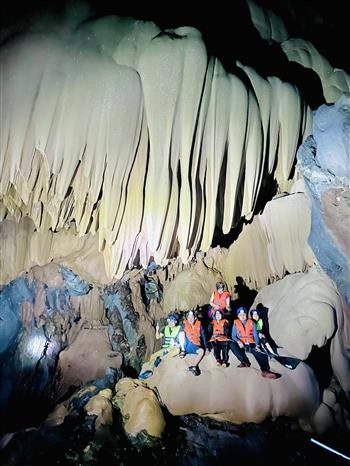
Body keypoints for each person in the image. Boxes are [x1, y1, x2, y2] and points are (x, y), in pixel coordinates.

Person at [230, 307, 281, 379]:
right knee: (232, 344)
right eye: (240, 315)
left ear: (246, 315)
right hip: (241, 343)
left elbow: (255, 335)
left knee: (259, 353)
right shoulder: (236, 323)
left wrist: (257, 345)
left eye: (244, 314)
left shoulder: (251, 322)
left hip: (251, 343)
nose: (242, 316)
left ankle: (265, 371)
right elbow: (233, 336)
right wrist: (238, 341)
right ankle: (244, 362)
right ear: (238, 316)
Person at [139, 313, 181, 379]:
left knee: (177, 350)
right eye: (169, 321)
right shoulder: (165, 329)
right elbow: (157, 337)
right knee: (153, 356)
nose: (170, 323)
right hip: (165, 349)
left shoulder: (179, 328)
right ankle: (149, 370)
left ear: (175, 322)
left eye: (172, 321)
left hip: (173, 347)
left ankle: (161, 359)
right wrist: (157, 329)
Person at [178, 310, 209, 376]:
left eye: (192, 317)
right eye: (189, 317)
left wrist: (207, 348)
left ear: (195, 318)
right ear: (187, 318)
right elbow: (179, 335)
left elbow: (204, 337)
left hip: (195, 346)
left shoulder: (199, 325)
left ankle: (194, 366)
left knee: (201, 351)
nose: (190, 319)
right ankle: (183, 351)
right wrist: (179, 346)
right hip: (186, 344)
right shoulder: (184, 324)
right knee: (181, 333)